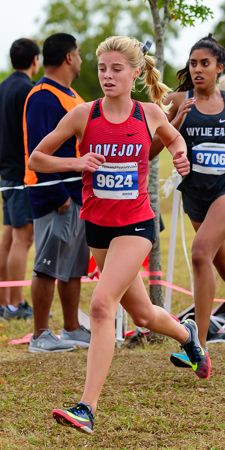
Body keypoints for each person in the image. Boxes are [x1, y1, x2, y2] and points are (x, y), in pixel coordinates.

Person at [28, 35, 210, 434]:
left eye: (116, 69)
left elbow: (173, 137)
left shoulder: (147, 114)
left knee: (101, 305)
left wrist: (180, 153)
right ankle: (188, 334)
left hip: (137, 225)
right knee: (144, 314)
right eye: (101, 69)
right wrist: (77, 162)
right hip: (99, 227)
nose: (107, 76)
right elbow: (36, 156)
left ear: (134, 73)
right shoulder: (83, 114)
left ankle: (86, 408)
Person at [149, 33, 225, 368]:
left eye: (205, 63)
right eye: (193, 63)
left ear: (219, 68)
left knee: (199, 255)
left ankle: (199, 346)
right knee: (220, 266)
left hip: (224, 192)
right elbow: (149, 151)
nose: (197, 69)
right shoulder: (178, 101)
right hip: (195, 194)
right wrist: (173, 123)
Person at [24, 33, 90, 352]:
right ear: (68, 57)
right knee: (47, 266)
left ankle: (73, 328)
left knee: (74, 266)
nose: (80, 58)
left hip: (77, 196)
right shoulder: (42, 97)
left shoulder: (71, 95)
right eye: (77, 53)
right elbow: (35, 151)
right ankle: (39, 335)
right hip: (56, 198)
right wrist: (60, 196)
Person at [0, 38, 40, 320]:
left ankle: (5, 301)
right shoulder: (27, 90)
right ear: (35, 60)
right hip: (19, 174)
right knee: (23, 239)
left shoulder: (3, 86)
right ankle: (15, 305)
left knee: (9, 238)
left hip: (5, 173)